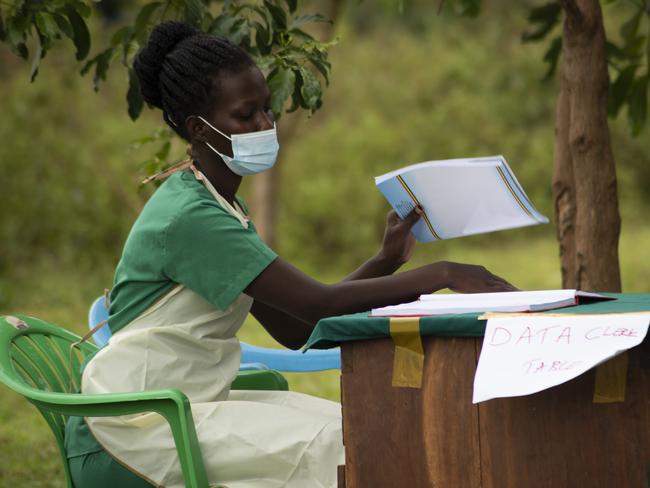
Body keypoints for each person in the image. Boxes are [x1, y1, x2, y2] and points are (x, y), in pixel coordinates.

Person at [64, 21, 515, 488]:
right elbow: (314, 305)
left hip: (183, 405)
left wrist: (387, 260)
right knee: (344, 448)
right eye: (246, 115)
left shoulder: (221, 207)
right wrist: (441, 272)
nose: (265, 125)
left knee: (357, 432)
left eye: (267, 109)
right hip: (132, 427)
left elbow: (296, 327)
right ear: (200, 129)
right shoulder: (190, 218)